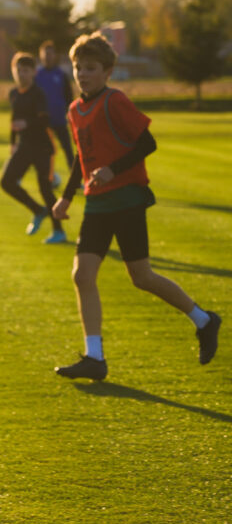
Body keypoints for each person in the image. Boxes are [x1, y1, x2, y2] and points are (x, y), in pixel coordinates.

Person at [51, 32, 221, 380]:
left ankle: (204, 319)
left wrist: (114, 168)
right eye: (78, 67)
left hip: (127, 199)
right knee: (82, 275)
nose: (82, 74)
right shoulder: (74, 110)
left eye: (91, 68)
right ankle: (94, 358)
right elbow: (80, 158)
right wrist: (66, 197)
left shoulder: (115, 102)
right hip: (97, 204)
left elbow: (148, 142)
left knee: (141, 277)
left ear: (108, 71)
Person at [0, 52, 67, 244]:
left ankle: (59, 231)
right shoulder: (13, 94)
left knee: (45, 189)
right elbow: (14, 120)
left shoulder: (38, 94)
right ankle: (38, 210)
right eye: (18, 70)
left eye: (26, 71)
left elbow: (44, 120)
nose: (21, 74)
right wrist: (13, 142)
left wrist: (27, 124)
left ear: (33, 72)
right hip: (24, 146)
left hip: (43, 147)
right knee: (6, 182)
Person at [35, 40, 75, 186]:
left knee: (68, 150)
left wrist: (68, 114)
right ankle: (48, 179)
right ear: (41, 56)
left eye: (50, 54)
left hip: (59, 120)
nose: (48, 57)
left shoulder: (61, 75)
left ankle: (76, 181)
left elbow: (69, 97)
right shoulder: (37, 75)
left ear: (54, 55)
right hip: (43, 122)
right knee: (46, 152)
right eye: (45, 54)